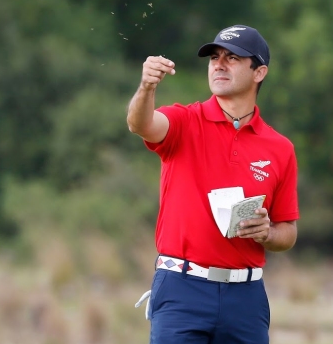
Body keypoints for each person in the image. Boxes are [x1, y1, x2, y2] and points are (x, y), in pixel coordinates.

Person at [128, 25, 299, 344]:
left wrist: (268, 233)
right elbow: (141, 124)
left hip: (246, 298)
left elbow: (287, 231)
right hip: (181, 289)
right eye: (214, 57)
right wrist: (147, 88)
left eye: (232, 58)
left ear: (259, 72)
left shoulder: (280, 148)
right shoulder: (183, 120)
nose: (219, 64)